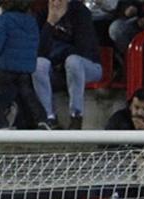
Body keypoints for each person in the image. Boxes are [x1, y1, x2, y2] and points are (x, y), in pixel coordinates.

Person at [34, 0, 102, 129]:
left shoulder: (81, 12)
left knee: (73, 61)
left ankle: (76, 116)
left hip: (88, 66)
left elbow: (83, 49)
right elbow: (39, 52)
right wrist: (50, 23)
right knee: (38, 64)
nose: (56, 3)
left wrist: (59, 58)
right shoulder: (43, 15)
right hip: (58, 69)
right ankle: (49, 117)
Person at [0, 0, 43, 129]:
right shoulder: (31, 21)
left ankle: (1, 122)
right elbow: (35, 44)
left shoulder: (4, 19)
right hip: (25, 68)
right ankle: (42, 119)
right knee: (27, 93)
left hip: (5, 66)